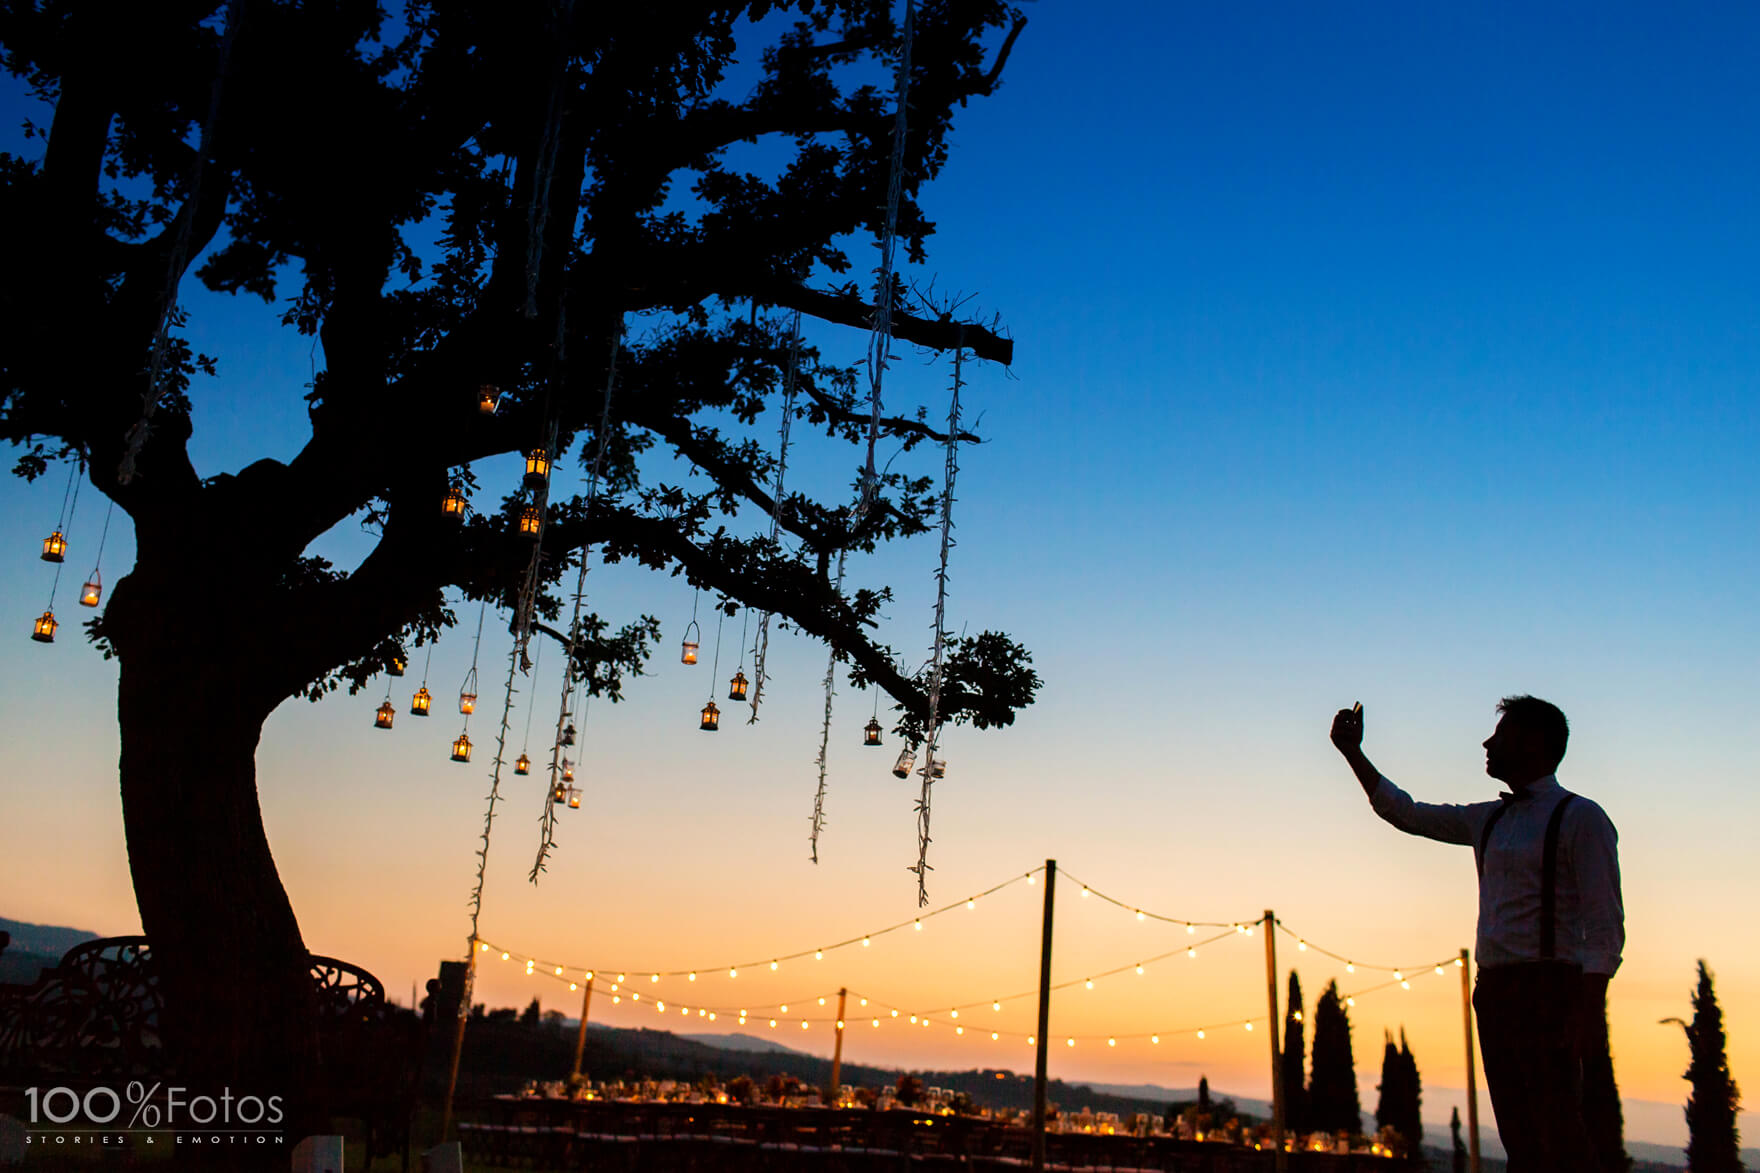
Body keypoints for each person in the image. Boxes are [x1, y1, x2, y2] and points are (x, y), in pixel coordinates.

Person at [1329, 695, 1624, 1173]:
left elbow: (1605, 925)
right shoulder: (1488, 817)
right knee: (1519, 1136)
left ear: (1533, 744)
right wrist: (1352, 754)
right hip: (1495, 993)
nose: (1487, 743)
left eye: (1500, 734)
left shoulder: (1582, 817)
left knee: (1559, 1135)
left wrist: (1586, 1011)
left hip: (1550, 992)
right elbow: (1406, 813)